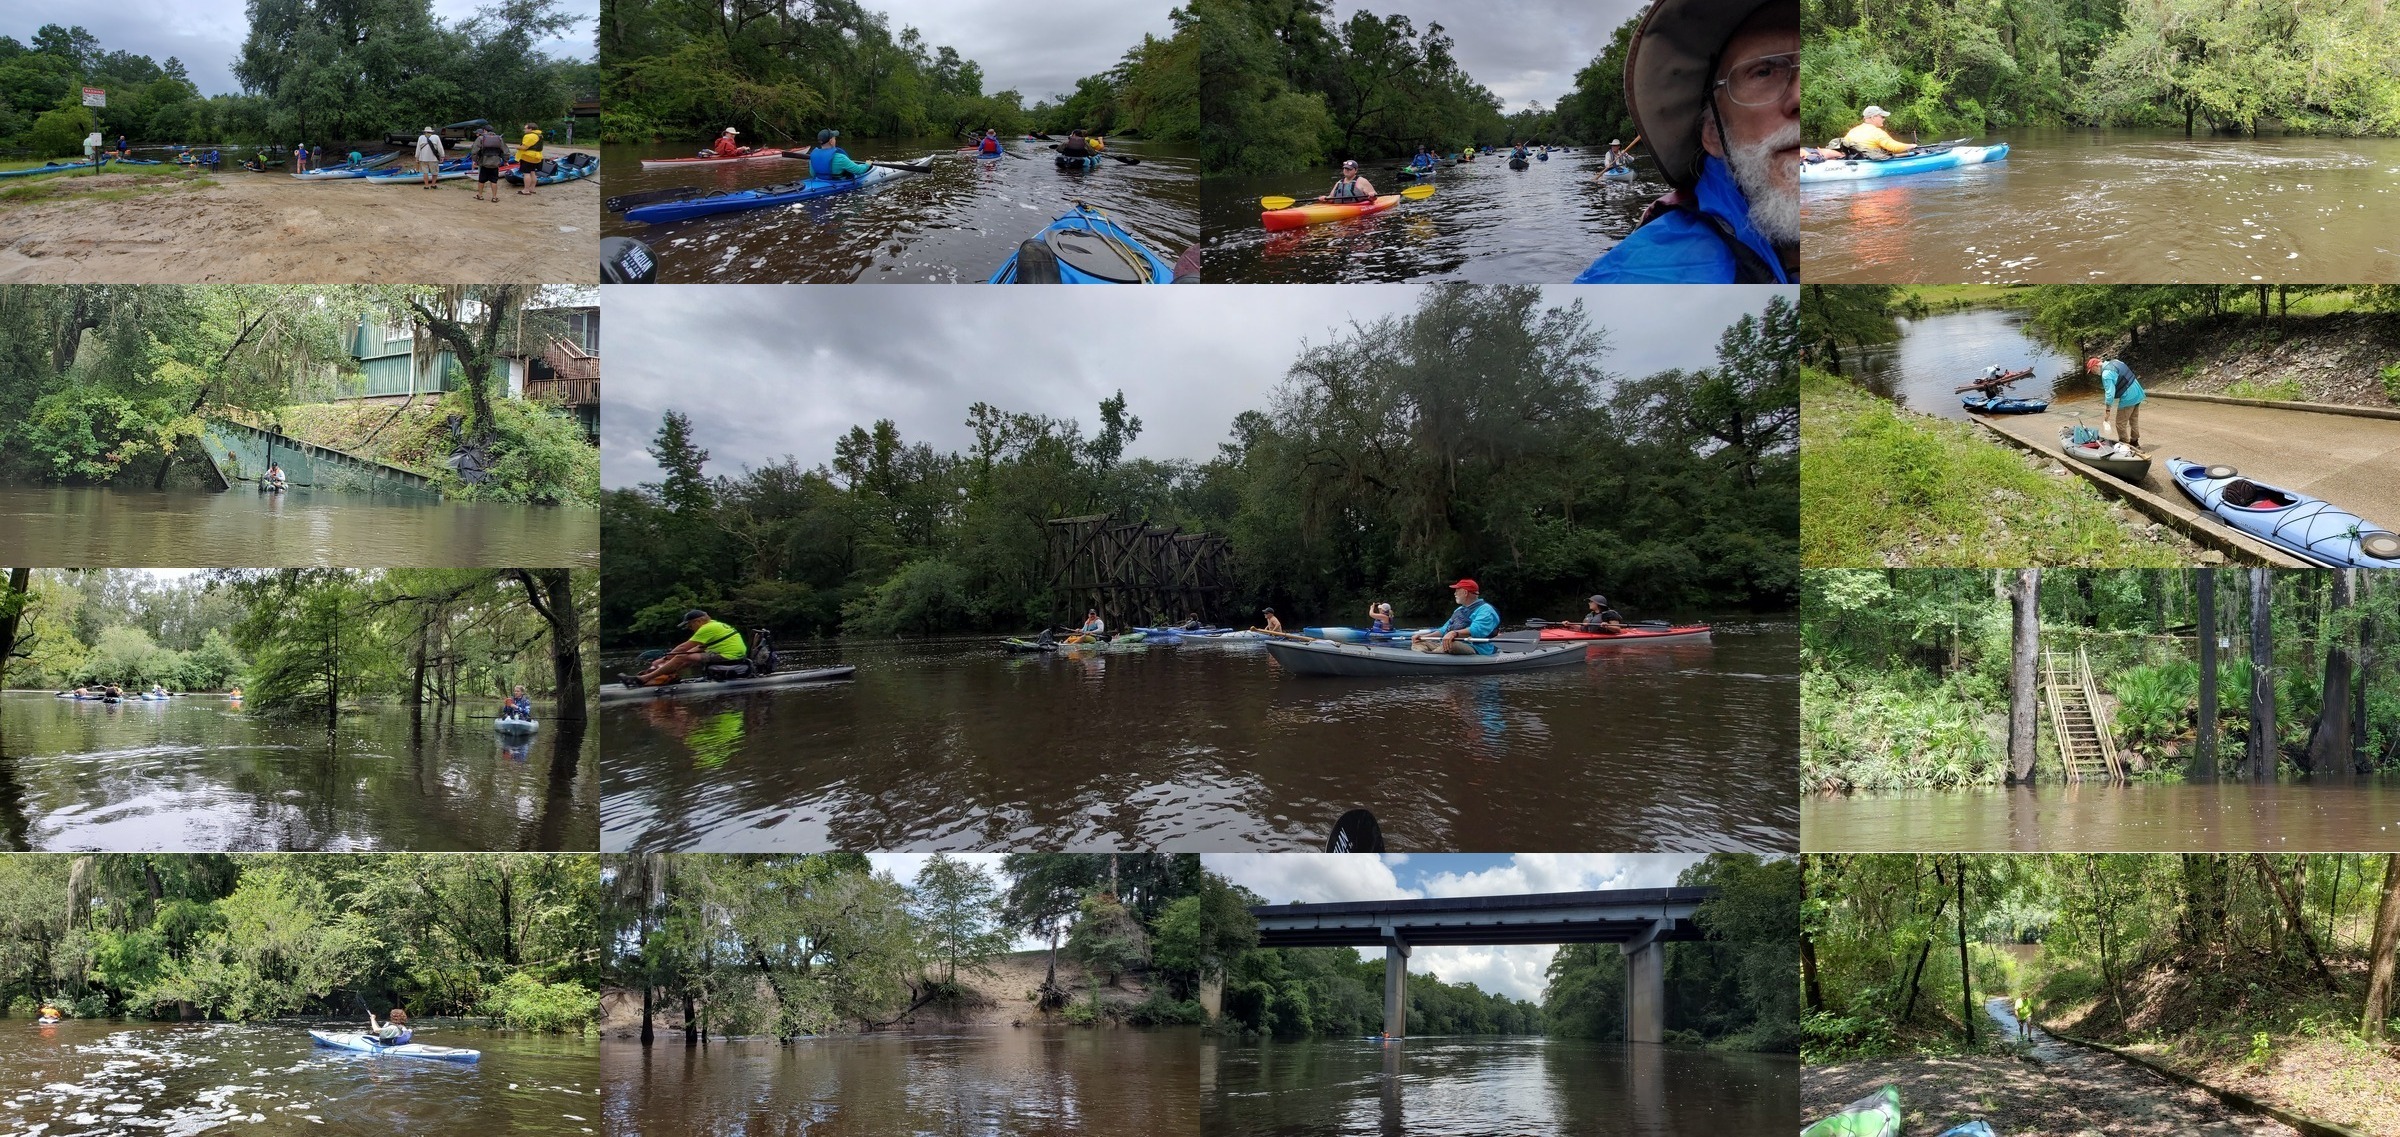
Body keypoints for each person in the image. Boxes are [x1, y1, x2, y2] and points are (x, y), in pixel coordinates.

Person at [1578, 0, 1797, 283]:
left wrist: (1626, 160)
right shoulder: (1635, 278)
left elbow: (1629, 163)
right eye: (1764, 71)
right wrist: (1616, 162)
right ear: (1713, 135)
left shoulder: (1621, 156)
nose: (1799, 97)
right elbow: (1615, 166)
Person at [624, 610, 747, 687]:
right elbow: (697, 648)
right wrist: (671, 660)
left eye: (689, 624)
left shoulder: (706, 628)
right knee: (685, 657)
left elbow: (684, 647)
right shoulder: (715, 624)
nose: (689, 627)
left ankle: (644, 679)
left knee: (682, 656)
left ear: (698, 621)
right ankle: (667, 676)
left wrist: (663, 659)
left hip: (728, 656)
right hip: (731, 653)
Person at [1413, 579, 1500, 656]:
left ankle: (1430, 659)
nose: (1454, 594)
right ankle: (1421, 659)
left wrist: (1454, 633)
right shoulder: (1459, 610)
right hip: (1448, 643)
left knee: (1451, 644)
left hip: (1476, 647)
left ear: (1465, 593)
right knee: (1419, 643)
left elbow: (1477, 630)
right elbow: (1443, 630)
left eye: (1457, 591)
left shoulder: (1486, 610)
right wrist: (1424, 636)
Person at [2087, 356, 2146, 447]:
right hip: (2138, 391)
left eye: (2092, 371)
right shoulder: (2116, 361)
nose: (2093, 373)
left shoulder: (2106, 374)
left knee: (2120, 423)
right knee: (2133, 420)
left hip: (2128, 396)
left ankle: (2125, 445)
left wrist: (2107, 410)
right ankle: (2135, 442)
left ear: (2096, 366)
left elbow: (2110, 394)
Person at [1838, 106, 1915, 159]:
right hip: (1869, 160)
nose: (1884, 119)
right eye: (1882, 117)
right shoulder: (1876, 132)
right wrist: (1911, 146)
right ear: (1873, 117)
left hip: (1856, 159)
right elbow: (1894, 147)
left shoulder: (1853, 131)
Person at [807, 129, 875, 182]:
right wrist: (867, 164)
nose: (835, 140)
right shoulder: (840, 158)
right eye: (834, 138)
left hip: (819, 181)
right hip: (836, 183)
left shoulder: (813, 156)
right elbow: (859, 170)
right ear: (831, 141)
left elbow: (813, 174)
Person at [471, 127, 509, 203]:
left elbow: (474, 151)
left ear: (485, 130)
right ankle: (494, 197)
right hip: (495, 163)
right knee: (494, 181)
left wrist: (475, 160)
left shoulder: (481, 138)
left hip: (484, 162)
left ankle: (480, 195)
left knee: (481, 180)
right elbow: (505, 151)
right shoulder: (499, 139)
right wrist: (505, 161)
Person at [515, 122, 545, 197]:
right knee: (532, 172)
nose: (524, 130)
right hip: (536, 157)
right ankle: (532, 189)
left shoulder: (529, 136)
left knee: (526, 173)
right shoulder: (539, 135)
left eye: (525, 128)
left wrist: (517, 147)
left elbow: (524, 147)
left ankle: (526, 190)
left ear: (530, 129)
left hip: (528, 156)